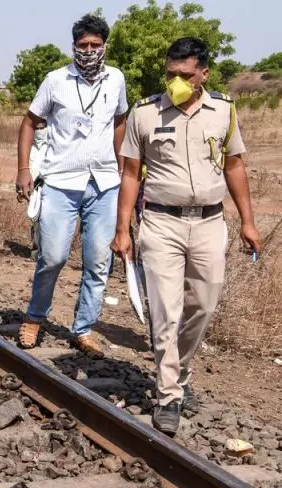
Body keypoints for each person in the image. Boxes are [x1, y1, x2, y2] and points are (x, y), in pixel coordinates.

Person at [113, 38, 261, 436]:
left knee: (204, 305)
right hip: (161, 222)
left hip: (211, 223)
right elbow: (130, 174)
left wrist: (247, 222)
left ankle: (179, 372)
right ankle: (168, 396)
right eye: (170, 74)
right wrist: (122, 229)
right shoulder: (145, 113)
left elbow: (234, 166)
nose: (176, 81)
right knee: (165, 312)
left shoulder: (223, 110)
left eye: (185, 75)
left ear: (204, 75)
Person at [14, 14, 128, 356]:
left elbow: (120, 121)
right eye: (83, 45)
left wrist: (124, 170)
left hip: (105, 183)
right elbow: (30, 122)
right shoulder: (55, 80)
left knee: (98, 261)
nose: (90, 51)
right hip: (62, 180)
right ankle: (35, 316)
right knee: (52, 256)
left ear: (104, 46)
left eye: (96, 45)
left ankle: (84, 328)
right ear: (74, 46)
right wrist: (24, 169)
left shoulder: (116, 80)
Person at [27, 120, 49, 260]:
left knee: (46, 220)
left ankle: (46, 252)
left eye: (42, 128)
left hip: (47, 186)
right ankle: (36, 251)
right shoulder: (29, 148)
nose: (39, 131)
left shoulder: (52, 146)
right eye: (37, 128)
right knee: (35, 220)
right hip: (33, 188)